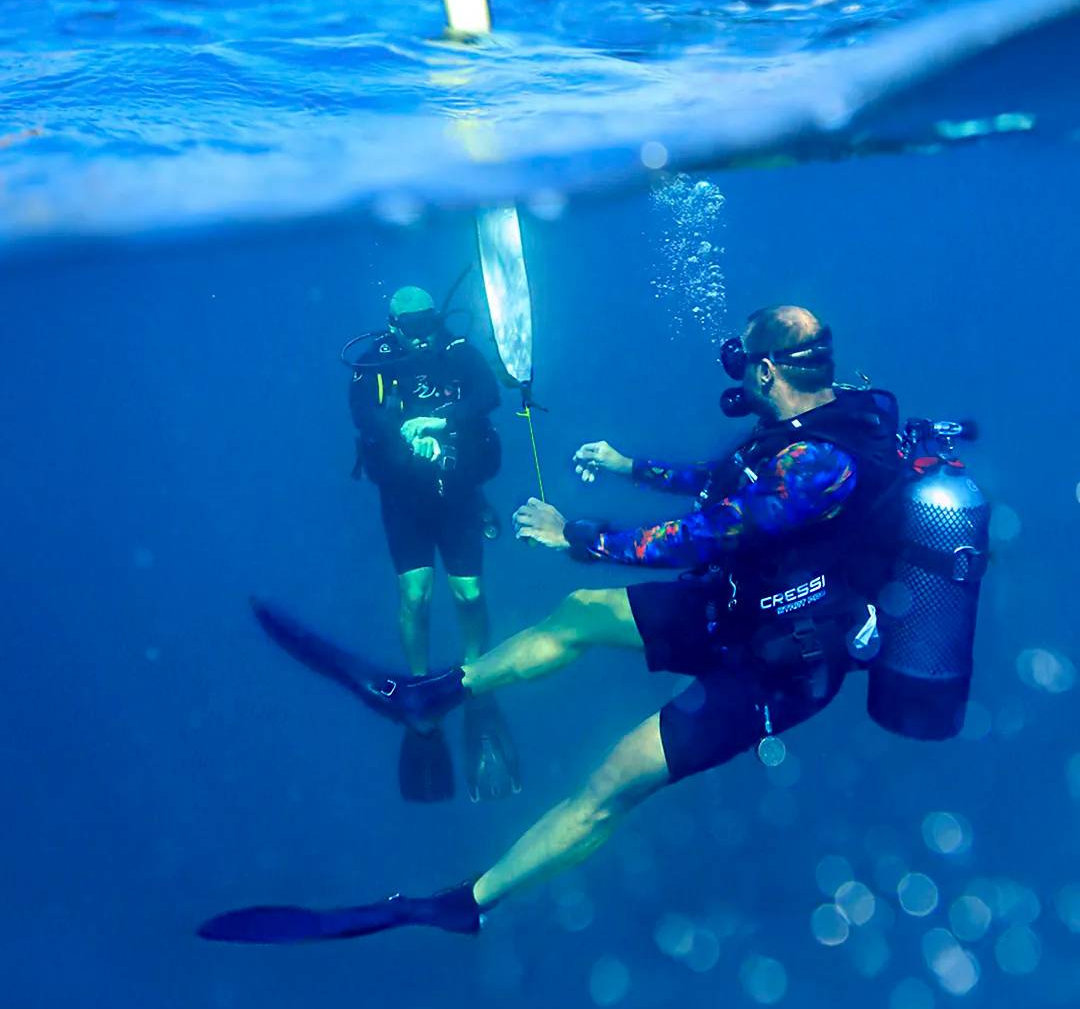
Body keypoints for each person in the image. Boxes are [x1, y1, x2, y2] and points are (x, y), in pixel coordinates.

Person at [202, 305, 905, 945]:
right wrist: (628, 465)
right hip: (743, 608)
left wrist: (578, 536)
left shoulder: (823, 463)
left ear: (764, 369)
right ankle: (430, 694)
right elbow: (732, 479)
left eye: (738, 363)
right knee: (581, 615)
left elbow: (708, 535)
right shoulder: (814, 423)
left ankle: (464, 904)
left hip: (782, 665)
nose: (734, 378)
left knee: (612, 783)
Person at [344, 284, 519, 804]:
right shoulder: (371, 365)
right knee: (416, 597)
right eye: (412, 325)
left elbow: (487, 394)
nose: (422, 334)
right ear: (393, 323)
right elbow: (363, 415)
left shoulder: (458, 352)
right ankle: (419, 689)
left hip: (459, 493)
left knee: (468, 595)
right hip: (404, 501)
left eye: (429, 322)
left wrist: (440, 420)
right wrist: (405, 430)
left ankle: (476, 682)